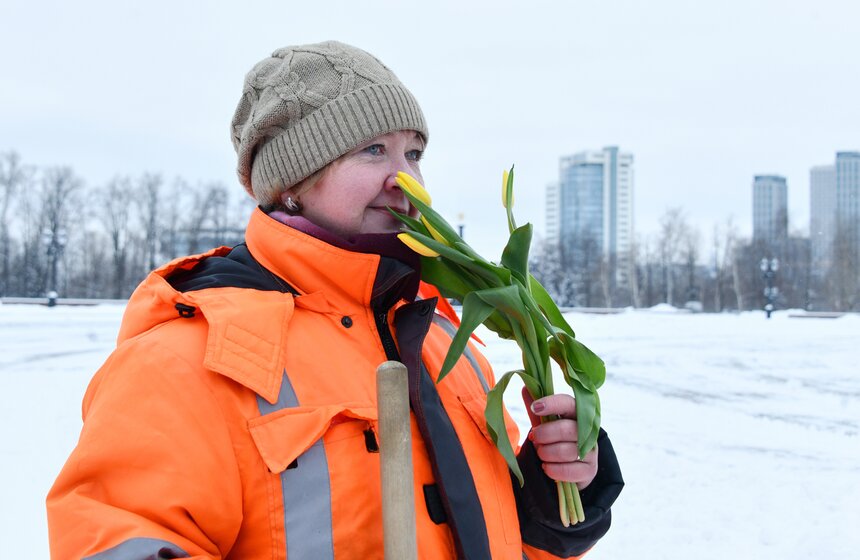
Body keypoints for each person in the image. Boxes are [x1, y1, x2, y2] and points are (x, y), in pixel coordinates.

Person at [47, 41, 623, 559]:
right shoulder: (186, 359)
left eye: (413, 153)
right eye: (373, 150)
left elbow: (501, 540)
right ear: (290, 183)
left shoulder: (444, 340)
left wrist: (555, 489)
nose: (403, 177)